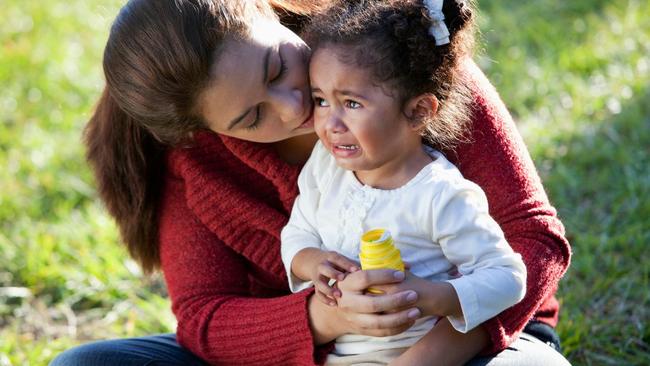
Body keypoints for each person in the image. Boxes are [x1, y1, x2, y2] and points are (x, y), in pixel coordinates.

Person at [50, 0, 571, 365]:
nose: (294, 106)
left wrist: (428, 352)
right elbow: (205, 319)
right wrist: (326, 315)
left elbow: (534, 238)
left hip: (479, 341)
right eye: (252, 118)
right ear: (202, 131)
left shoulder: (395, 60)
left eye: (277, 67)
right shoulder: (197, 162)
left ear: (262, 8)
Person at [280, 1, 527, 364]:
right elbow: (297, 232)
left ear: (418, 112)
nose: (330, 123)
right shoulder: (325, 167)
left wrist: (428, 295)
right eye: (320, 100)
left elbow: (508, 278)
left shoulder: (439, 195)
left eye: (351, 103)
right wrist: (313, 262)